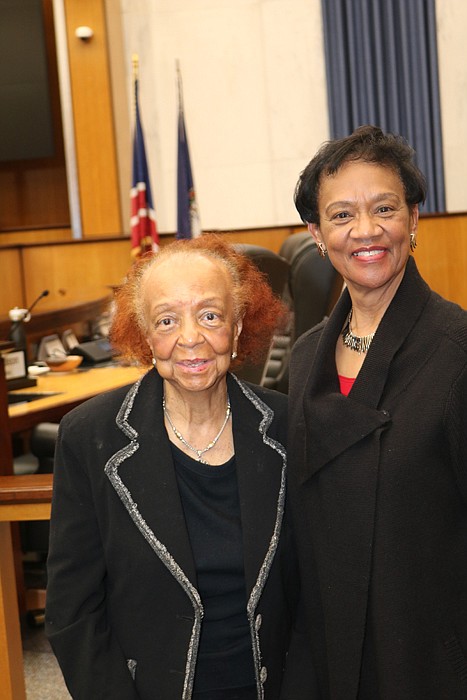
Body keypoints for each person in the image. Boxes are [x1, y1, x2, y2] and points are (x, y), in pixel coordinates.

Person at [45, 234, 299, 700]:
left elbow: (314, 594)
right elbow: (73, 611)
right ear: (143, 335)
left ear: (238, 326)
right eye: (167, 320)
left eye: (209, 315)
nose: (190, 339)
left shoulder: (289, 426)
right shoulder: (89, 437)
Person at [287, 125, 467, 699]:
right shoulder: (304, 356)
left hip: (428, 649)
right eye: (341, 216)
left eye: (384, 208)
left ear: (414, 218)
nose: (365, 231)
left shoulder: (457, 349)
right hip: (328, 644)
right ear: (316, 233)